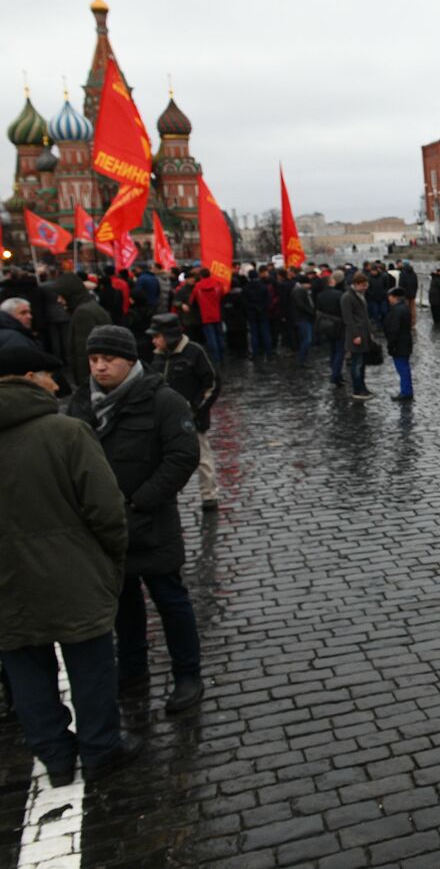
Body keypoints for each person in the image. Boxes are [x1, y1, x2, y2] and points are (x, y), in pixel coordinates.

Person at [0, 344, 141, 784]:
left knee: (24, 669)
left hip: (6, 582)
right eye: (47, 375)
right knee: (91, 663)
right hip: (73, 571)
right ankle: (101, 748)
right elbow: (106, 510)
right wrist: (110, 559)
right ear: (27, 379)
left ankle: (55, 757)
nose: (56, 383)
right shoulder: (67, 432)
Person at [67, 326, 204, 714]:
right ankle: (131, 670)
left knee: (170, 601)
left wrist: (140, 502)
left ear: (130, 360)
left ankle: (187, 674)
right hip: (104, 525)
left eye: (108, 359)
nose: (100, 367)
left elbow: (181, 457)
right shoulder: (82, 401)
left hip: (152, 523)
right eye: (94, 360)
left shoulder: (164, 401)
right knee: (123, 606)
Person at [148, 313, 221, 510]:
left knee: (202, 457)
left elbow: (212, 383)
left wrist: (196, 408)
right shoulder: (157, 356)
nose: (153, 340)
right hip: (164, 419)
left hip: (193, 418)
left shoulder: (194, 352)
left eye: (157, 336)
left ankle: (209, 495)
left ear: (169, 336)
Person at [52, 272, 112, 388]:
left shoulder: (82, 313)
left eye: (61, 296)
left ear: (70, 294)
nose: (58, 300)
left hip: (92, 380)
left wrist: (85, 385)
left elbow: (83, 354)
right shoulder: (89, 307)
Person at [341, 272, 374, 400]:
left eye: (366, 285)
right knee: (357, 363)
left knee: (362, 363)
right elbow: (348, 319)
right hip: (356, 335)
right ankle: (357, 390)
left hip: (363, 334)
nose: (366, 287)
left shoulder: (360, 295)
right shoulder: (347, 297)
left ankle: (362, 387)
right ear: (356, 284)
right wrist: (355, 335)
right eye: (363, 285)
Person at [316, 270, 347, 385]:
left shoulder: (320, 296)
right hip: (338, 324)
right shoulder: (339, 294)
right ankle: (335, 375)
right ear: (331, 282)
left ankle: (336, 373)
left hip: (326, 325)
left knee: (333, 350)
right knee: (340, 351)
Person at [384, 287, 414, 402]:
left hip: (399, 344)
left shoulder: (396, 310)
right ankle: (406, 391)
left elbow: (393, 329)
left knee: (402, 368)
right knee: (404, 368)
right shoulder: (404, 308)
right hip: (405, 342)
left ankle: (406, 392)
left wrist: (391, 344)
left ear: (394, 297)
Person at [190, 269, 225, 363]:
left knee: (211, 339)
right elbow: (222, 296)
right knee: (220, 337)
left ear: (201, 276)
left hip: (205, 316)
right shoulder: (218, 284)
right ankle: (222, 356)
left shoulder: (197, 286)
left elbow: (192, 301)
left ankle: (215, 359)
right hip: (217, 314)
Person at [290, 274, 317, 364]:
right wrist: (311, 312)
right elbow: (301, 305)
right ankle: (302, 359)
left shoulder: (300, 290)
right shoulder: (299, 291)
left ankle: (303, 357)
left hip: (303, 318)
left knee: (305, 339)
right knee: (306, 339)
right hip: (303, 318)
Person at [243, 269, 272, 358]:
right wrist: (262, 308)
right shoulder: (263, 286)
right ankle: (268, 353)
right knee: (265, 333)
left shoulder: (246, 287)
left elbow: (244, 302)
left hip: (252, 314)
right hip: (263, 313)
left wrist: (252, 308)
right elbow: (268, 300)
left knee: (254, 334)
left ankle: (255, 353)